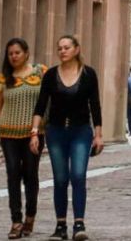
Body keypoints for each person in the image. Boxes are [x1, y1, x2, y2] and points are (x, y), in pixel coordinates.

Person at [31, 36, 103, 241]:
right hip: (55, 132)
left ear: (76, 49)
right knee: (60, 178)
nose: (62, 51)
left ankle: (79, 224)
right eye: (59, 48)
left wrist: (98, 135)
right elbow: (41, 104)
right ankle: (60, 225)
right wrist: (34, 132)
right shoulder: (51, 75)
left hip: (81, 131)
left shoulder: (88, 74)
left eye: (66, 47)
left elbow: (95, 105)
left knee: (78, 175)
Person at [0, 38, 47, 239]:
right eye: (10, 54)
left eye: (17, 52)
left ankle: (30, 216)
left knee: (30, 173)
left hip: (34, 134)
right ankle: (16, 220)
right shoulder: (3, 78)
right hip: (8, 133)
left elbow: (47, 100)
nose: (14, 56)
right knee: (13, 173)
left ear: (26, 53)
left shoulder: (40, 72)